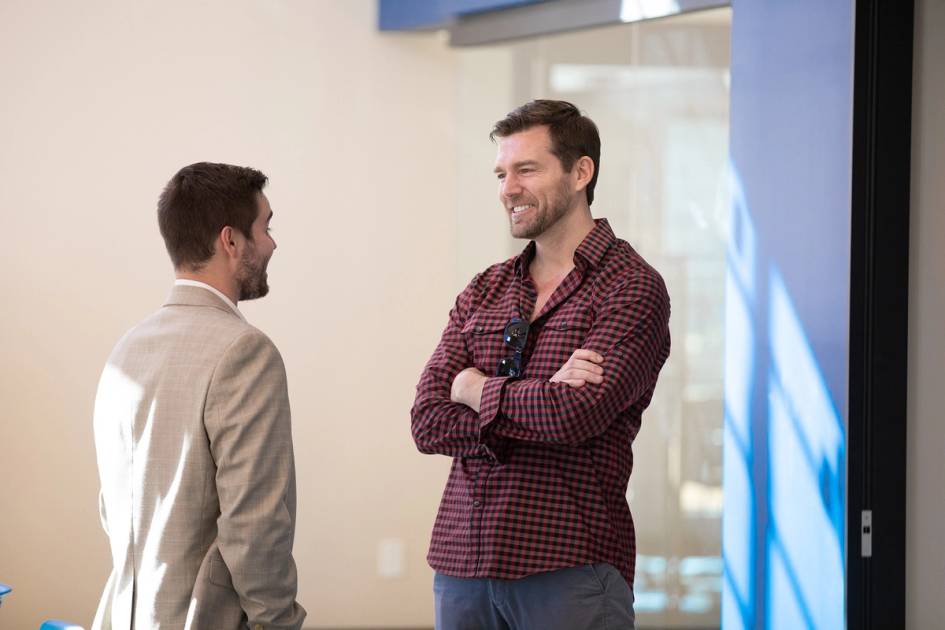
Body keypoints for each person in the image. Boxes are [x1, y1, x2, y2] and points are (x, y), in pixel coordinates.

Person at [411, 100, 671, 629]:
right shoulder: (485, 288)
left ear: (581, 172)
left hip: (570, 567)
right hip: (464, 564)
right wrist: (536, 398)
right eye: (502, 173)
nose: (508, 188)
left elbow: (574, 416)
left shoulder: (631, 288)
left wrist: (476, 389)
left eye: (527, 169)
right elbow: (426, 420)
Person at [92, 162, 306, 630]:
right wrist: (280, 623)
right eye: (265, 227)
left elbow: (114, 510)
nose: (272, 243)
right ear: (230, 241)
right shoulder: (246, 352)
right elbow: (255, 527)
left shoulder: (124, 351)